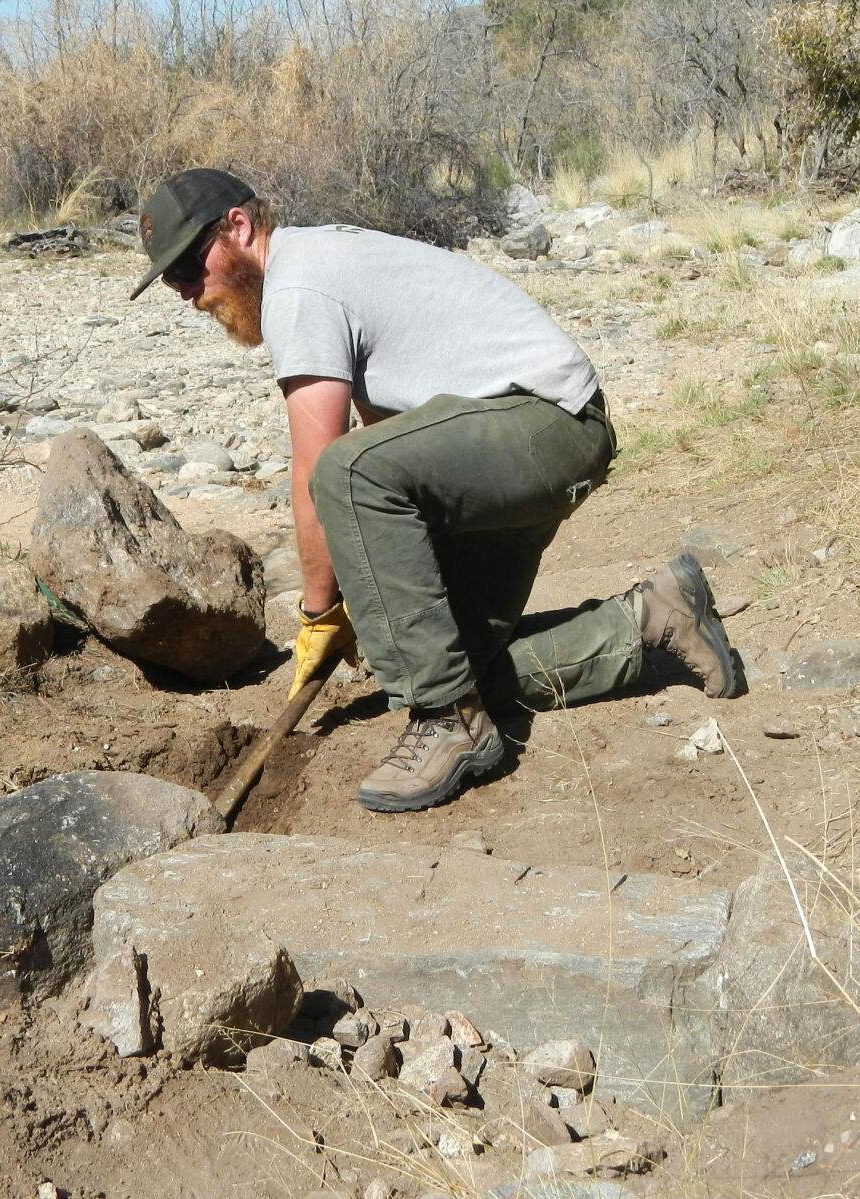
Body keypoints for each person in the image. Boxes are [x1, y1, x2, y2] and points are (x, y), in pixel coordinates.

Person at [130, 168, 741, 813]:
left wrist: (320, 613)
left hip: (543, 429)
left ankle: (448, 725)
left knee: (349, 475)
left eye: (190, 267)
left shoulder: (298, 286)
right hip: (521, 444)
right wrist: (393, 602)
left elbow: (322, 470)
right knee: (450, 661)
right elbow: (396, 439)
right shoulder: (316, 266)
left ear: (239, 226)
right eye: (171, 279)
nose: (185, 292)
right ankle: (653, 619)